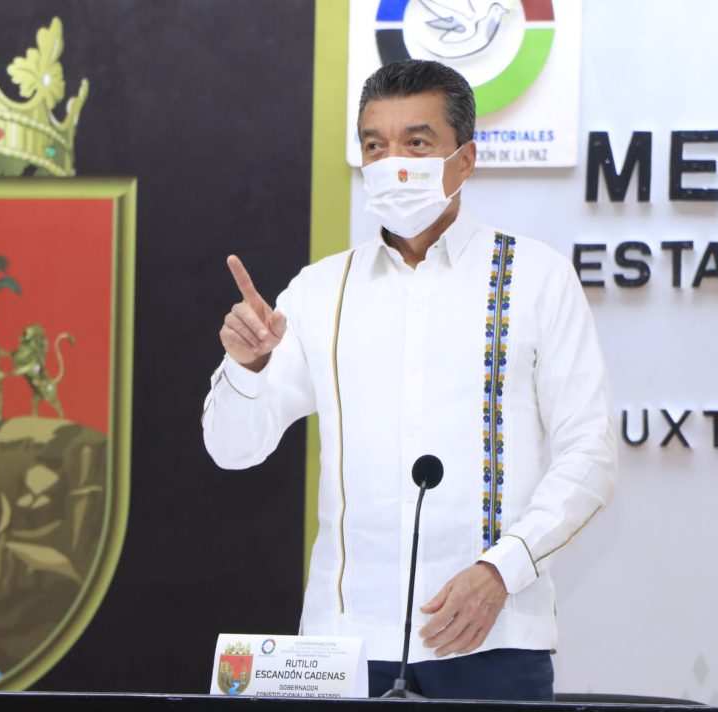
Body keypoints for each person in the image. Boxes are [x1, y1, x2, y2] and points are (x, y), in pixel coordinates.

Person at [202, 59, 617, 701]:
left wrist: (503, 570)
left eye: (417, 143)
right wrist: (247, 365)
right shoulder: (321, 289)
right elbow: (232, 450)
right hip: (345, 643)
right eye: (376, 146)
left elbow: (590, 454)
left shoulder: (537, 278)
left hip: (493, 636)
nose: (393, 162)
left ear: (465, 159)